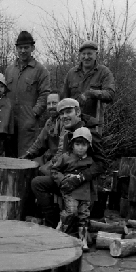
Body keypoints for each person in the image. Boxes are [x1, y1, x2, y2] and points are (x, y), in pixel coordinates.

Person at [31, 97, 107, 231]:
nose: (64, 116)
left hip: (83, 185)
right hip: (66, 180)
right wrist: (61, 179)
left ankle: (65, 224)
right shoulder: (66, 132)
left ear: (77, 112)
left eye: (68, 112)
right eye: (61, 113)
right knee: (38, 182)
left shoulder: (88, 133)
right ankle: (52, 222)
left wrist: (80, 178)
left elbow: (102, 163)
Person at [5, 30, 50, 157]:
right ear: (16, 49)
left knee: (26, 158)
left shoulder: (40, 71)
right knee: (9, 158)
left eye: (26, 47)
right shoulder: (9, 70)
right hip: (9, 122)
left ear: (32, 48)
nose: (23, 51)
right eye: (20, 48)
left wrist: (34, 114)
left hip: (28, 124)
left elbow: (45, 94)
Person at [50, 127, 96, 248]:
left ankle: (83, 240)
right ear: (72, 144)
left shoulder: (91, 160)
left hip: (85, 191)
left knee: (84, 215)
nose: (80, 147)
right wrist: (62, 180)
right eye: (77, 144)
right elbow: (54, 170)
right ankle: (60, 232)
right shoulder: (66, 157)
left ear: (89, 145)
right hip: (70, 189)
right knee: (71, 211)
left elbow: (94, 173)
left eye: (84, 145)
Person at [62, 40, 115, 136]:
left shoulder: (104, 72)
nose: (86, 57)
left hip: (93, 126)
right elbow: (64, 99)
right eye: (83, 54)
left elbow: (110, 94)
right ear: (80, 55)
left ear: (96, 55)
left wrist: (90, 93)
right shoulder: (71, 73)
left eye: (89, 54)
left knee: (92, 145)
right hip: (72, 124)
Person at [20, 91, 61, 175]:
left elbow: (63, 151)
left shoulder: (65, 121)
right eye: (49, 104)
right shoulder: (49, 122)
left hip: (63, 163)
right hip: (54, 161)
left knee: (39, 175)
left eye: (54, 103)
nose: (51, 106)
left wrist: (49, 166)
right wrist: (28, 155)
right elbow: (39, 143)